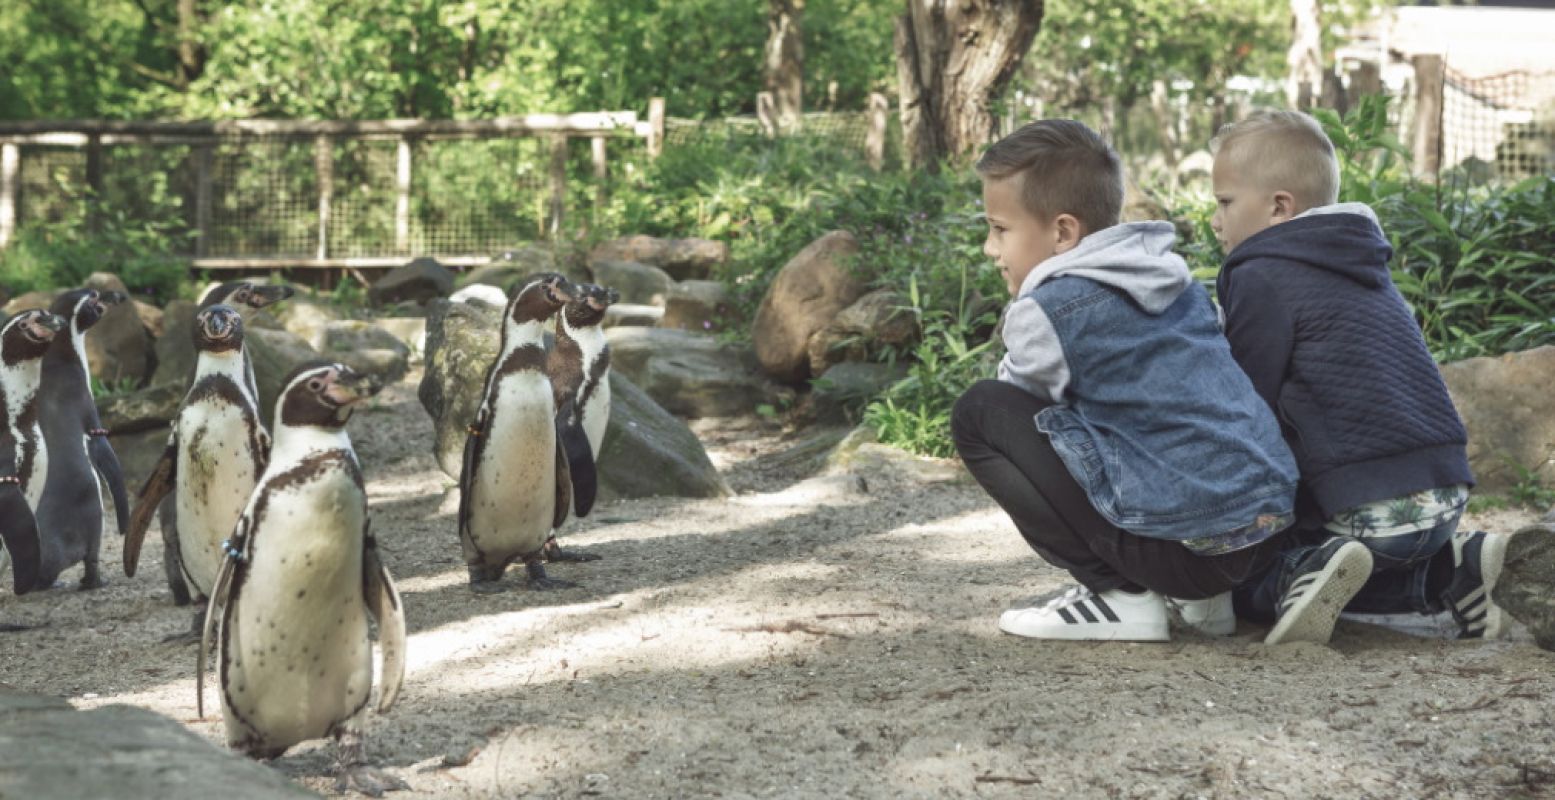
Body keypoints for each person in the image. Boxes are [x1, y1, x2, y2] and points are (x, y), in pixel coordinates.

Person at [951, 119, 1325, 644]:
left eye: (1000, 229)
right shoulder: (1173, 281)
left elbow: (1022, 417)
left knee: (981, 412)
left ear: (1063, 232)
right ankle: (1206, 603)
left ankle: (1118, 596)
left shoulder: (1048, 309)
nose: (991, 249)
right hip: (1263, 529)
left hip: (1182, 552)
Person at [1210, 109, 1512, 642]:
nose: (1215, 221)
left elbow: (1245, 406)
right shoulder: (1361, 259)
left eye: (1225, 203)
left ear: (1280, 206)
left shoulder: (1259, 272)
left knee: (1239, 585)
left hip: (1363, 509)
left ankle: (1291, 577)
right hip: (1443, 498)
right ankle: (1449, 572)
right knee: (1353, 565)